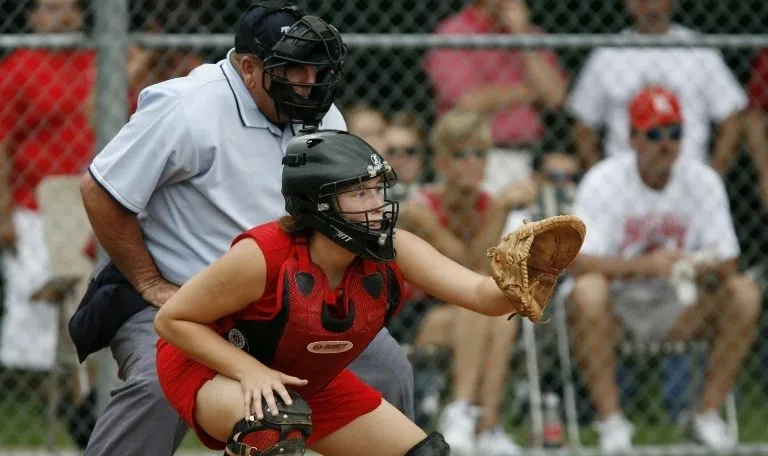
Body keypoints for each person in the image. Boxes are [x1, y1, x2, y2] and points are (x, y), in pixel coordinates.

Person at [70, 2, 413, 454]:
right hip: (184, 302)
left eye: (317, 71)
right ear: (249, 67)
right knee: (157, 389)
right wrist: (151, 283)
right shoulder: (189, 107)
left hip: (287, 299)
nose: (310, 85)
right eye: (295, 71)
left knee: (388, 367)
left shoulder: (324, 119)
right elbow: (101, 190)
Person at [153, 129, 534, 456]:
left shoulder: (395, 249)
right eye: (359, 195)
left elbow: (484, 297)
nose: (378, 206)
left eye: (377, 190)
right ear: (316, 204)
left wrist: (531, 276)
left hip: (302, 376)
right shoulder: (264, 256)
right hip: (213, 366)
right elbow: (172, 319)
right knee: (272, 426)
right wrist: (248, 370)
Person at [564, 86, 760, 452]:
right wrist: (645, 266)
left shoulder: (703, 180)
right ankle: (611, 424)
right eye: (653, 134)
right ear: (633, 138)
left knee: (745, 293)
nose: (665, 144)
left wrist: (691, 265)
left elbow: (729, 260)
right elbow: (576, 261)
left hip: (679, 305)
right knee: (588, 290)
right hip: (616, 309)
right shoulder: (604, 180)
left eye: (674, 133)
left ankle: (706, 417)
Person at [398, 110, 537, 455]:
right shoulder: (421, 208)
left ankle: (487, 427)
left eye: (480, 153)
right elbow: (468, 266)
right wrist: (502, 209)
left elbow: (483, 276)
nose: (472, 162)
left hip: (466, 311)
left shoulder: (488, 204)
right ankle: (462, 412)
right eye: (461, 154)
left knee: (501, 315)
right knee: (480, 304)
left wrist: (499, 209)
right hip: (416, 312)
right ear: (442, 162)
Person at [0, 0, 92, 372]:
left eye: (71, 8)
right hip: (33, 205)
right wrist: (3, 213)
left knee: (84, 306)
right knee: (32, 309)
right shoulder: (17, 67)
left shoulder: (98, 61)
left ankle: (77, 401)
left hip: (92, 205)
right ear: (33, 17)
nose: (64, 16)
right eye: (52, 8)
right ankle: (33, 398)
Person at [566, 0, 746, 171]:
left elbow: (731, 117)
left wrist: (713, 176)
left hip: (687, 179)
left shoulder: (699, 50)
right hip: (624, 182)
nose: (651, 5)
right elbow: (583, 124)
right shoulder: (608, 53)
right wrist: (601, 180)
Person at [424, 0, 567, 195]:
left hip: (527, 156)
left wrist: (522, 36)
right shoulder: (454, 32)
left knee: (523, 224)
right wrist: (530, 91)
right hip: (470, 157)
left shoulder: (530, 34)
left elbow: (555, 96)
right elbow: (468, 101)